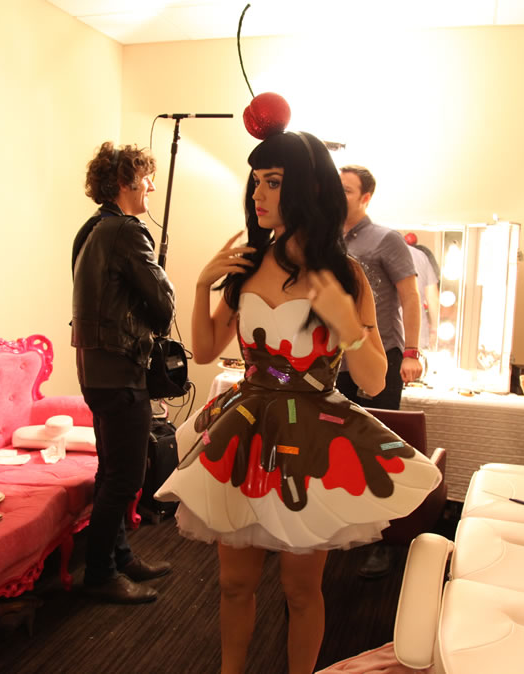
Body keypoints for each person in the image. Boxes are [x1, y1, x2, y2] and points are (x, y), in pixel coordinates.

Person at [155, 131, 441, 674]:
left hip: (310, 436)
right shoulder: (245, 266)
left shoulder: (345, 274)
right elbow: (206, 349)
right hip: (245, 429)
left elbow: (373, 379)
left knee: (301, 589)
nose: (258, 194)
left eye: (273, 182)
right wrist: (199, 286)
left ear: (308, 188)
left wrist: (347, 323)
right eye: (256, 182)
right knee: (234, 582)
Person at [71, 141, 176, 604]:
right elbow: (163, 305)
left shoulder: (91, 229)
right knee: (126, 478)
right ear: (123, 182)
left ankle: (120, 557)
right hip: (120, 374)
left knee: (109, 471)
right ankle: (99, 574)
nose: (151, 185)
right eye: (145, 177)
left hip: (95, 371)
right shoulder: (128, 232)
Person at [336, 165, 424, 579]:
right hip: (338, 360)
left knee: (379, 448)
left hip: (382, 356)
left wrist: (411, 353)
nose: (337, 195)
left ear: (366, 197)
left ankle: (385, 542)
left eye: (346, 190)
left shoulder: (386, 239)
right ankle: (346, 528)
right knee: (340, 445)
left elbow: (410, 296)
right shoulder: (326, 239)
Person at [404, 234, 440, 352]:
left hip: (385, 335)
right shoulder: (421, 256)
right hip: (417, 335)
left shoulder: (379, 252)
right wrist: (434, 330)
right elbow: (432, 298)